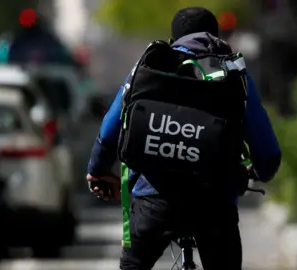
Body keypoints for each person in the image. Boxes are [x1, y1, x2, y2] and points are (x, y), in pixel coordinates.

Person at [86, 7, 281, 270]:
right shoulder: (233, 73)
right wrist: (259, 171)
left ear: (174, 38)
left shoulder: (152, 66)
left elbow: (111, 127)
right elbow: (267, 151)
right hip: (215, 203)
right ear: (216, 35)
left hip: (154, 200)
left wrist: (98, 170)